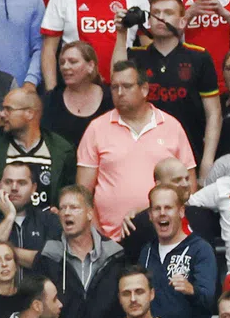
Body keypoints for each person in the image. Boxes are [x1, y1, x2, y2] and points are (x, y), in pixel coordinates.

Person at [77, 63, 197, 239]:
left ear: (144, 89)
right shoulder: (96, 128)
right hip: (111, 241)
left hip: (166, 238)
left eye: (126, 86)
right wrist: (99, 237)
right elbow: (83, 192)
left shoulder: (171, 126)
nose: (119, 93)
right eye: (115, 87)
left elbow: (189, 188)